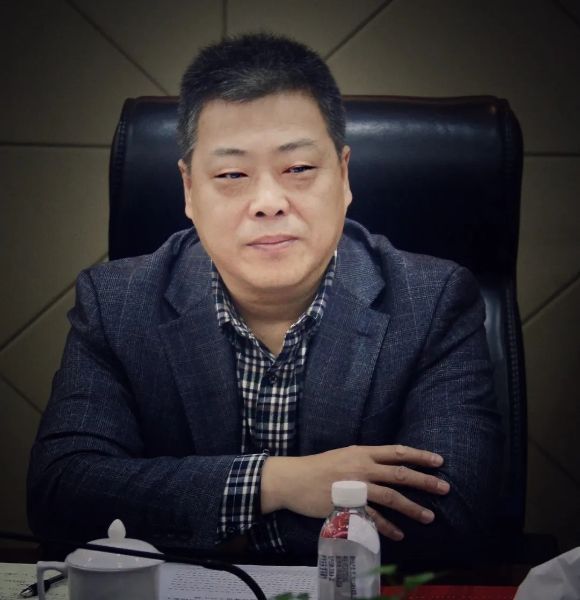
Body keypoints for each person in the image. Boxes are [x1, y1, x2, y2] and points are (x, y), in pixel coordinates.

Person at [28, 33, 502, 563]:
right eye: (232, 174)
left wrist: (220, 531)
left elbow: (454, 515)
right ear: (189, 190)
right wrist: (275, 483)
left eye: (298, 169)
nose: (269, 202)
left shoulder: (431, 302)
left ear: (344, 175)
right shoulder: (116, 303)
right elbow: (62, 494)